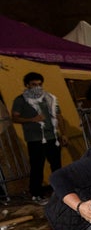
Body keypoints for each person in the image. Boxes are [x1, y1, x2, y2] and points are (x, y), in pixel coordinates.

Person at [12, 71, 66, 205]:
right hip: (35, 139)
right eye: (33, 85)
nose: (37, 87)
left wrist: (63, 133)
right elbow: (15, 117)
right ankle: (36, 193)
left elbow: (59, 116)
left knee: (57, 166)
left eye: (39, 84)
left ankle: (61, 191)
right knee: (37, 167)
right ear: (27, 85)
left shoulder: (50, 98)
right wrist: (32, 119)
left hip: (52, 136)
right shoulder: (21, 100)